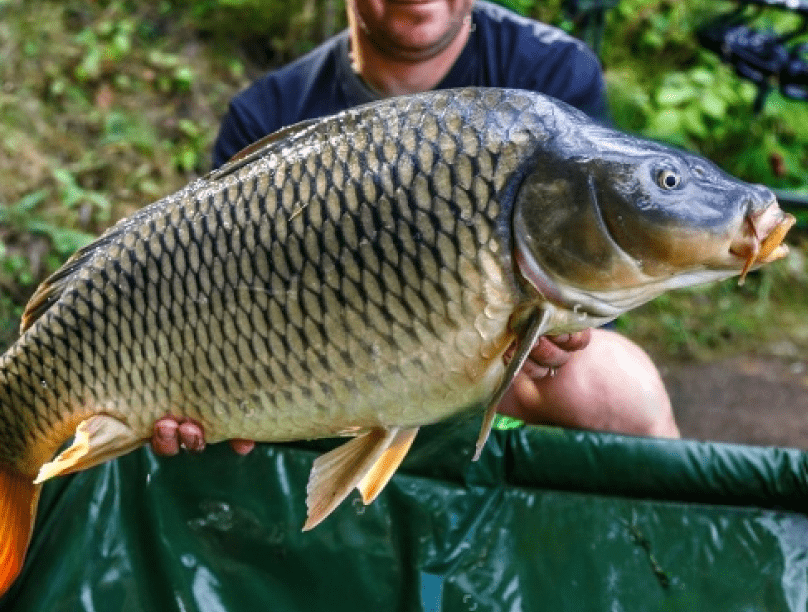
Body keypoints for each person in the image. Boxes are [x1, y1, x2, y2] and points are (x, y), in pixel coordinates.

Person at [150, 0, 679, 459]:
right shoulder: (267, 113)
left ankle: (672, 564)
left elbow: (591, 270)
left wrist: (548, 334)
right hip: (310, 368)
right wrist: (197, 393)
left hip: (499, 362)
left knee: (624, 394)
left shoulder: (548, 74)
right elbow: (212, 303)